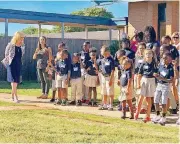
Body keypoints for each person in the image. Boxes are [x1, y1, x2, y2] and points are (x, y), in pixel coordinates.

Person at [1, 31, 25, 103]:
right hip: (11, 64)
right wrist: (9, 63)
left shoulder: (22, 46)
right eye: (21, 37)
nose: (22, 39)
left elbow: (21, 55)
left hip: (18, 64)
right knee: (13, 80)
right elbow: (6, 55)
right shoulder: (10, 45)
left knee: (16, 80)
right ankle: (15, 97)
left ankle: (12, 96)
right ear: (17, 37)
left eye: (23, 38)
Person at [135, 49, 157, 123]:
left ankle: (147, 116)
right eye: (147, 54)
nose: (148, 55)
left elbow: (157, 73)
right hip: (144, 80)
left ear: (152, 55)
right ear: (144, 55)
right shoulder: (143, 64)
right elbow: (139, 74)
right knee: (141, 97)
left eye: (150, 53)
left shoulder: (155, 64)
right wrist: (138, 83)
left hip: (151, 81)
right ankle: (137, 113)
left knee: (149, 99)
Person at [152, 53, 174, 126]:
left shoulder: (171, 68)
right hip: (159, 84)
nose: (164, 60)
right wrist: (156, 75)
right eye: (163, 58)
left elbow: (171, 80)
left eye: (166, 58)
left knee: (164, 102)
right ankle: (157, 115)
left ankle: (164, 116)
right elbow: (157, 73)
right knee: (156, 100)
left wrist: (162, 78)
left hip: (166, 85)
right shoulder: (160, 66)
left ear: (170, 59)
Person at [98, 45, 115, 111]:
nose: (104, 55)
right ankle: (105, 104)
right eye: (103, 54)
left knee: (110, 91)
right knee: (104, 91)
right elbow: (101, 68)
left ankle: (110, 105)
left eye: (105, 54)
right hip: (103, 77)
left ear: (108, 52)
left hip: (109, 77)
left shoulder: (111, 60)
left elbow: (113, 70)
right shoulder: (103, 60)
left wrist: (111, 79)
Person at [134, 42, 147, 113]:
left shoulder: (147, 57)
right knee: (137, 91)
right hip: (136, 75)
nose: (141, 50)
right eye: (140, 48)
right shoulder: (136, 56)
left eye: (143, 48)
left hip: (143, 76)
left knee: (143, 91)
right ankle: (137, 106)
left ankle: (144, 107)